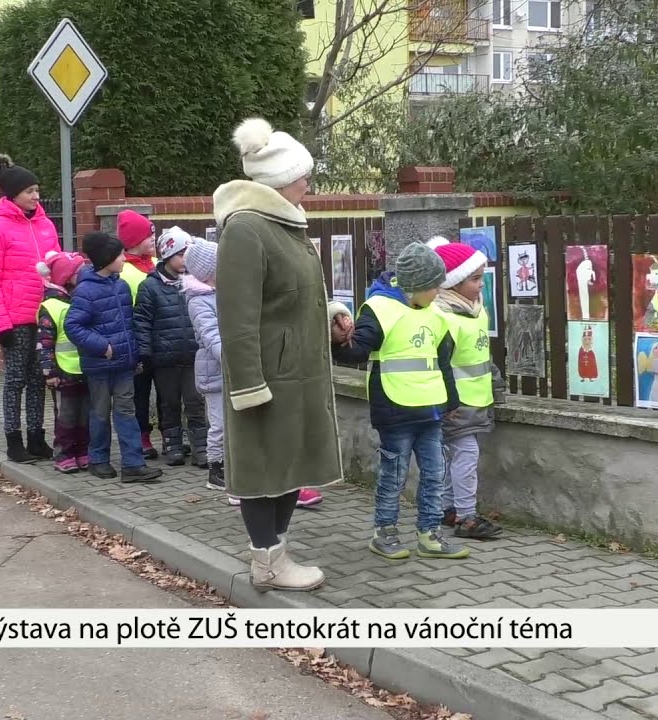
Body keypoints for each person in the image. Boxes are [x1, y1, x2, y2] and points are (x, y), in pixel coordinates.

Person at [215, 117, 346, 591]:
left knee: (291, 464)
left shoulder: (284, 225)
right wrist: (249, 385)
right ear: (283, 179)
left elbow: (289, 295)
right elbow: (237, 316)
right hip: (268, 376)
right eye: (304, 175)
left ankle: (278, 553)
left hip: (299, 372)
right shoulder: (247, 229)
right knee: (263, 468)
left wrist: (328, 311)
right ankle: (266, 563)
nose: (309, 183)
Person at [332, 242, 469, 561]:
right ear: (417, 285)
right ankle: (385, 533)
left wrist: (451, 401)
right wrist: (337, 338)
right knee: (393, 475)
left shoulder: (436, 313)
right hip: (395, 411)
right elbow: (355, 351)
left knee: (435, 474)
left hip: (431, 410)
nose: (439, 290)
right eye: (434, 285)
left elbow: (442, 360)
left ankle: (430, 533)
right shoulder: (379, 309)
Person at [0, 154, 61, 464]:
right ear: (13, 194)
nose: (36, 196)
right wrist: (0, 323)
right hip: (14, 318)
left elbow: (55, 265)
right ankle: (14, 441)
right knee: (15, 381)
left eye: (37, 190)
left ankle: (37, 438)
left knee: (40, 378)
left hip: (43, 314)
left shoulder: (45, 224)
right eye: (30, 191)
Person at [64, 231, 163, 484]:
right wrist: (102, 346)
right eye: (119, 255)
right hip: (100, 364)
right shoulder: (86, 290)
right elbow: (74, 326)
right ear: (106, 258)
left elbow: (128, 323)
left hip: (124, 363)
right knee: (99, 412)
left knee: (126, 412)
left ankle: (133, 464)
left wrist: (135, 353)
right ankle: (98, 459)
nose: (123, 259)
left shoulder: (120, 285)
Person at [432, 242, 505, 540]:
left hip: (476, 401)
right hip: (456, 404)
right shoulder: (443, 317)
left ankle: (447, 508)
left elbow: (482, 357)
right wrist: (447, 401)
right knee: (466, 455)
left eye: (481, 277)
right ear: (453, 283)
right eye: (474, 279)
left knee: (458, 456)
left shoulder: (476, 312)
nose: (481, 284)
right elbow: (441, 364)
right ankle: (466, 516)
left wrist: (495, 386)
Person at [134, 226, 208, 468]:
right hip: (164, 357)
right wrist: (145, 352)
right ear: (168, 256)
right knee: (170, 403)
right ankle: (173, 446)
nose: (186, 259)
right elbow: (142, 321)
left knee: (195, 403)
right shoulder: (150, 287)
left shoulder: (196, 282)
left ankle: (202, 448)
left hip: (193, 354)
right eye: (181, 254)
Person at [35, 250, 91, 474]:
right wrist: (49, 373)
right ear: (65, 278)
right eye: (78, 271)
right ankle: (64, 453)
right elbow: (44, 343)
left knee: (85, 414)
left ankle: (83, 450)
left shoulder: (81, 299)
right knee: (65, 416)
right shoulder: (51, 307)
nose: (83, 273)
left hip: (84, 369)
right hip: (63, 372)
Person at [182, 239, 229, 494]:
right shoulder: (198, 300)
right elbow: (211, 335)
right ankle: (216, 468)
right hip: (215, 369)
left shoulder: (225, 292)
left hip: (230, 367)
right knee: (219, 423)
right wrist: (232, 359)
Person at [116, 209, 161, 461]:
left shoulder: (155, 264)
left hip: (162, 338)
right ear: (134, 239)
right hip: (138, 341)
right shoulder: (124, 270)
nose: (153, 239)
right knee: (139, 393)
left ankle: (170, 435)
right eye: (148, 235)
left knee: (165, 392)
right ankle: (143, 436)